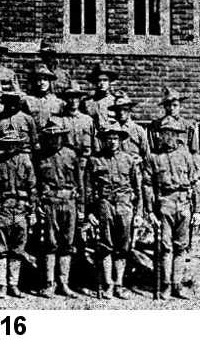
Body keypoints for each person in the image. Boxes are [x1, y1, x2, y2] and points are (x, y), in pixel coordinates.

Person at [144, 122, 200, 299]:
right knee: (165, 247)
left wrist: (198, 210)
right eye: (165, 133)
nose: (169, 137)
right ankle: (166, 286)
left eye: (172, 134)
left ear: (178, 136)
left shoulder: (185, 156)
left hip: (184, 204)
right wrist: (150, 211)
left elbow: (194, 184)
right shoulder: (153, 158)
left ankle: (178, 284)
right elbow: (147, 185)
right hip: (165, 205)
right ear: (159, 136)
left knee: (181, 247)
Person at [86, 124, 143, 299]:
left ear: (120, 140)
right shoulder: (94, 161)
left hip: (125, 206)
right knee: (105, 246)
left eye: (115, 138)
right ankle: (108, 284)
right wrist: (90, 213)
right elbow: (88, 189)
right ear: (102, 140)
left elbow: (138, 188)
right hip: (105, 205)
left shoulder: (129, 160)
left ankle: (119, 284)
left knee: (123, 247)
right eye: (108, 138)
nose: (111, 141)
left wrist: (139, 213)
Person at [0, 130, 37, 299]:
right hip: (3, 210)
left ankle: (14, 284)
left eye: (13, 143)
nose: (10, 147)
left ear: (18, 145)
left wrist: (34, 211)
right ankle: (2, 285)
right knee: (1, 249)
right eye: (7, 143)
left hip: (21, 210)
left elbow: (32, 188)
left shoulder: (26, 162)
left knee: (18, 249)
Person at [34, 121, 82, 299]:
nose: (54, 140)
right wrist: (37, 204)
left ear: (62, 136)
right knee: (50, 242)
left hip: (69, 202)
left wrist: (81, 207)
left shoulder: (71, 155)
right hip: (49, 203)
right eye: (50, 137)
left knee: (67, 243)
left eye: (57, 136)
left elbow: (80, 183)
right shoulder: (40, 156)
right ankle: (49, 283)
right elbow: (35, 183)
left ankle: (64, 283)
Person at [0, 88, 37, 161]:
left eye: (15, 100)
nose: (12, 104)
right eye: (9, 100)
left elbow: (34, 142)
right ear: (4, 101)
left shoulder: (28, 119)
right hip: (3, 158)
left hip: (24, 156)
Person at [149, 88, 198, 156]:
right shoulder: (156, 125)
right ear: (164, 107)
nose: (172, 108)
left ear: (181, 107)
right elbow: (151, 150)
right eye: (169, 105)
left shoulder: (188, 126)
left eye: (175, 105)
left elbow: (194, 152)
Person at [109, 92, 151, 161]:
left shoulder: (137, 130)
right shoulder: (111, 130)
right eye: (119, 109)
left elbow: (146, 155)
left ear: (129, 110)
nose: (121, 112)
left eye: (125, 109)